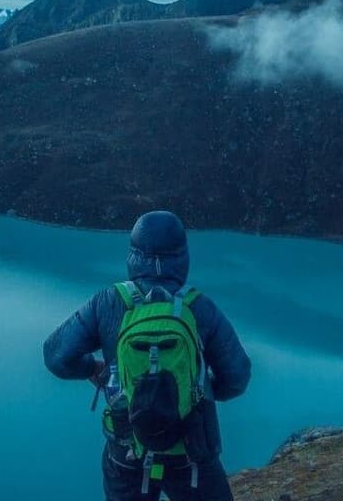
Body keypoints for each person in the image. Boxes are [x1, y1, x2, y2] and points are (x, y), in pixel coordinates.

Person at [43, 210, 251, 501]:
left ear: (133, 254)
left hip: (127, 448)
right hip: (189, 447)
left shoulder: (108, 302)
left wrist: (92, 367)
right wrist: (199, 390)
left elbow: (56, 356)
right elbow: (238, 377)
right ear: (182, 256)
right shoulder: (200, 308)